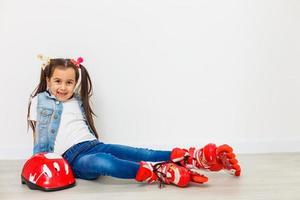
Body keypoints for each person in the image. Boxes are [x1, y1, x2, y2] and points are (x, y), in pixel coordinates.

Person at [27, 55, 241, 188]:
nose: (63, 87)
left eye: (69, 82)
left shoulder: (76, 101)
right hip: (70, 159)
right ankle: (158, 173)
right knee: (102, 161)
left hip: (92, 144)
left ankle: (190, 157)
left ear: (75, 83)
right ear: (47, 80)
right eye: (57, 81)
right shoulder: (40, 101)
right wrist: (38, 166)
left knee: (140, 152)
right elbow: (40, 135)